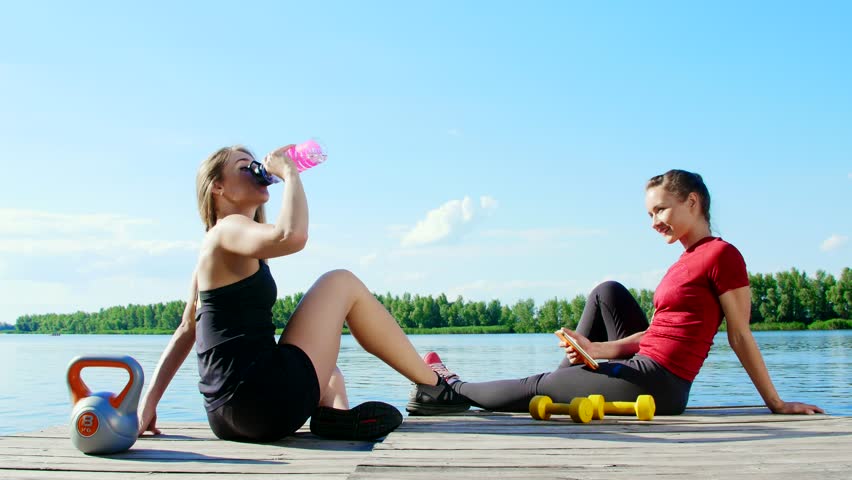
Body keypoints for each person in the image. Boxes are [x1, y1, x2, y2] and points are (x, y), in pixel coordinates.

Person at [407, 170, 824, 416]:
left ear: (693, 202)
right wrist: (598, 350)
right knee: (607, 291)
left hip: (660, 385)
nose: (654, 221)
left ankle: (449, 391)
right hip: (645, 364)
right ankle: (569, 376)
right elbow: (659, 333)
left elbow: (739, 335)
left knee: (536, 385)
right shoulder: (683, 262)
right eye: (649, 214)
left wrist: (776, 403)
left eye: (660, 210)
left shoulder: (722, 255)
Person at [137, 144, 469, 443]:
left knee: (330, 372)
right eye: (244, 167)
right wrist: (290, 171)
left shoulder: (212, 251)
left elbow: (186, 330)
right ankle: (434, 386)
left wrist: (147, 404)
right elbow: (291, 236)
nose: (257, 170)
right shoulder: (227, 229)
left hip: (226, 417)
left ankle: (337, 416)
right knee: (341, 282)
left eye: (257, 165)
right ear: (217, 187)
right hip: (262, 401)